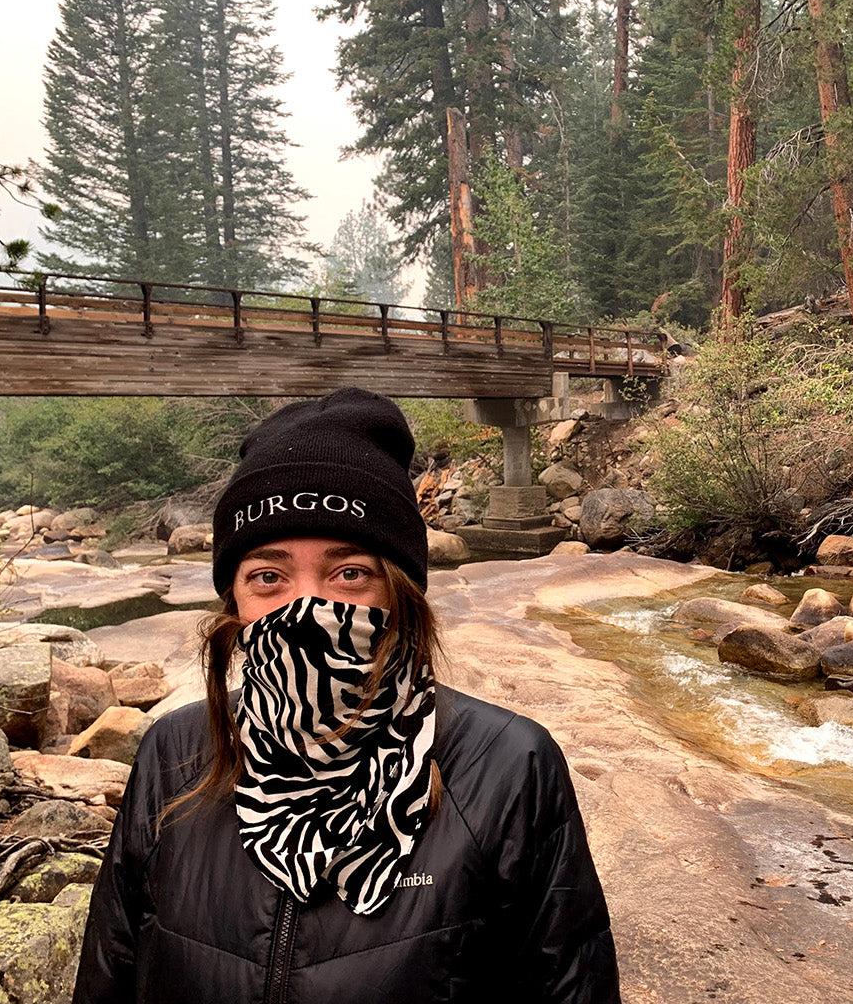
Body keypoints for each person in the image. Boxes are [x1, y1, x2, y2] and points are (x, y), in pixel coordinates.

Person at [72, 388, 621, 1004]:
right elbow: (112, 971)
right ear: (234, 601)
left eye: (350, 573)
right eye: (268, 577)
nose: (307, 609)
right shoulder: (175, 751)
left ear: (401, 592)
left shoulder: (507, 766)